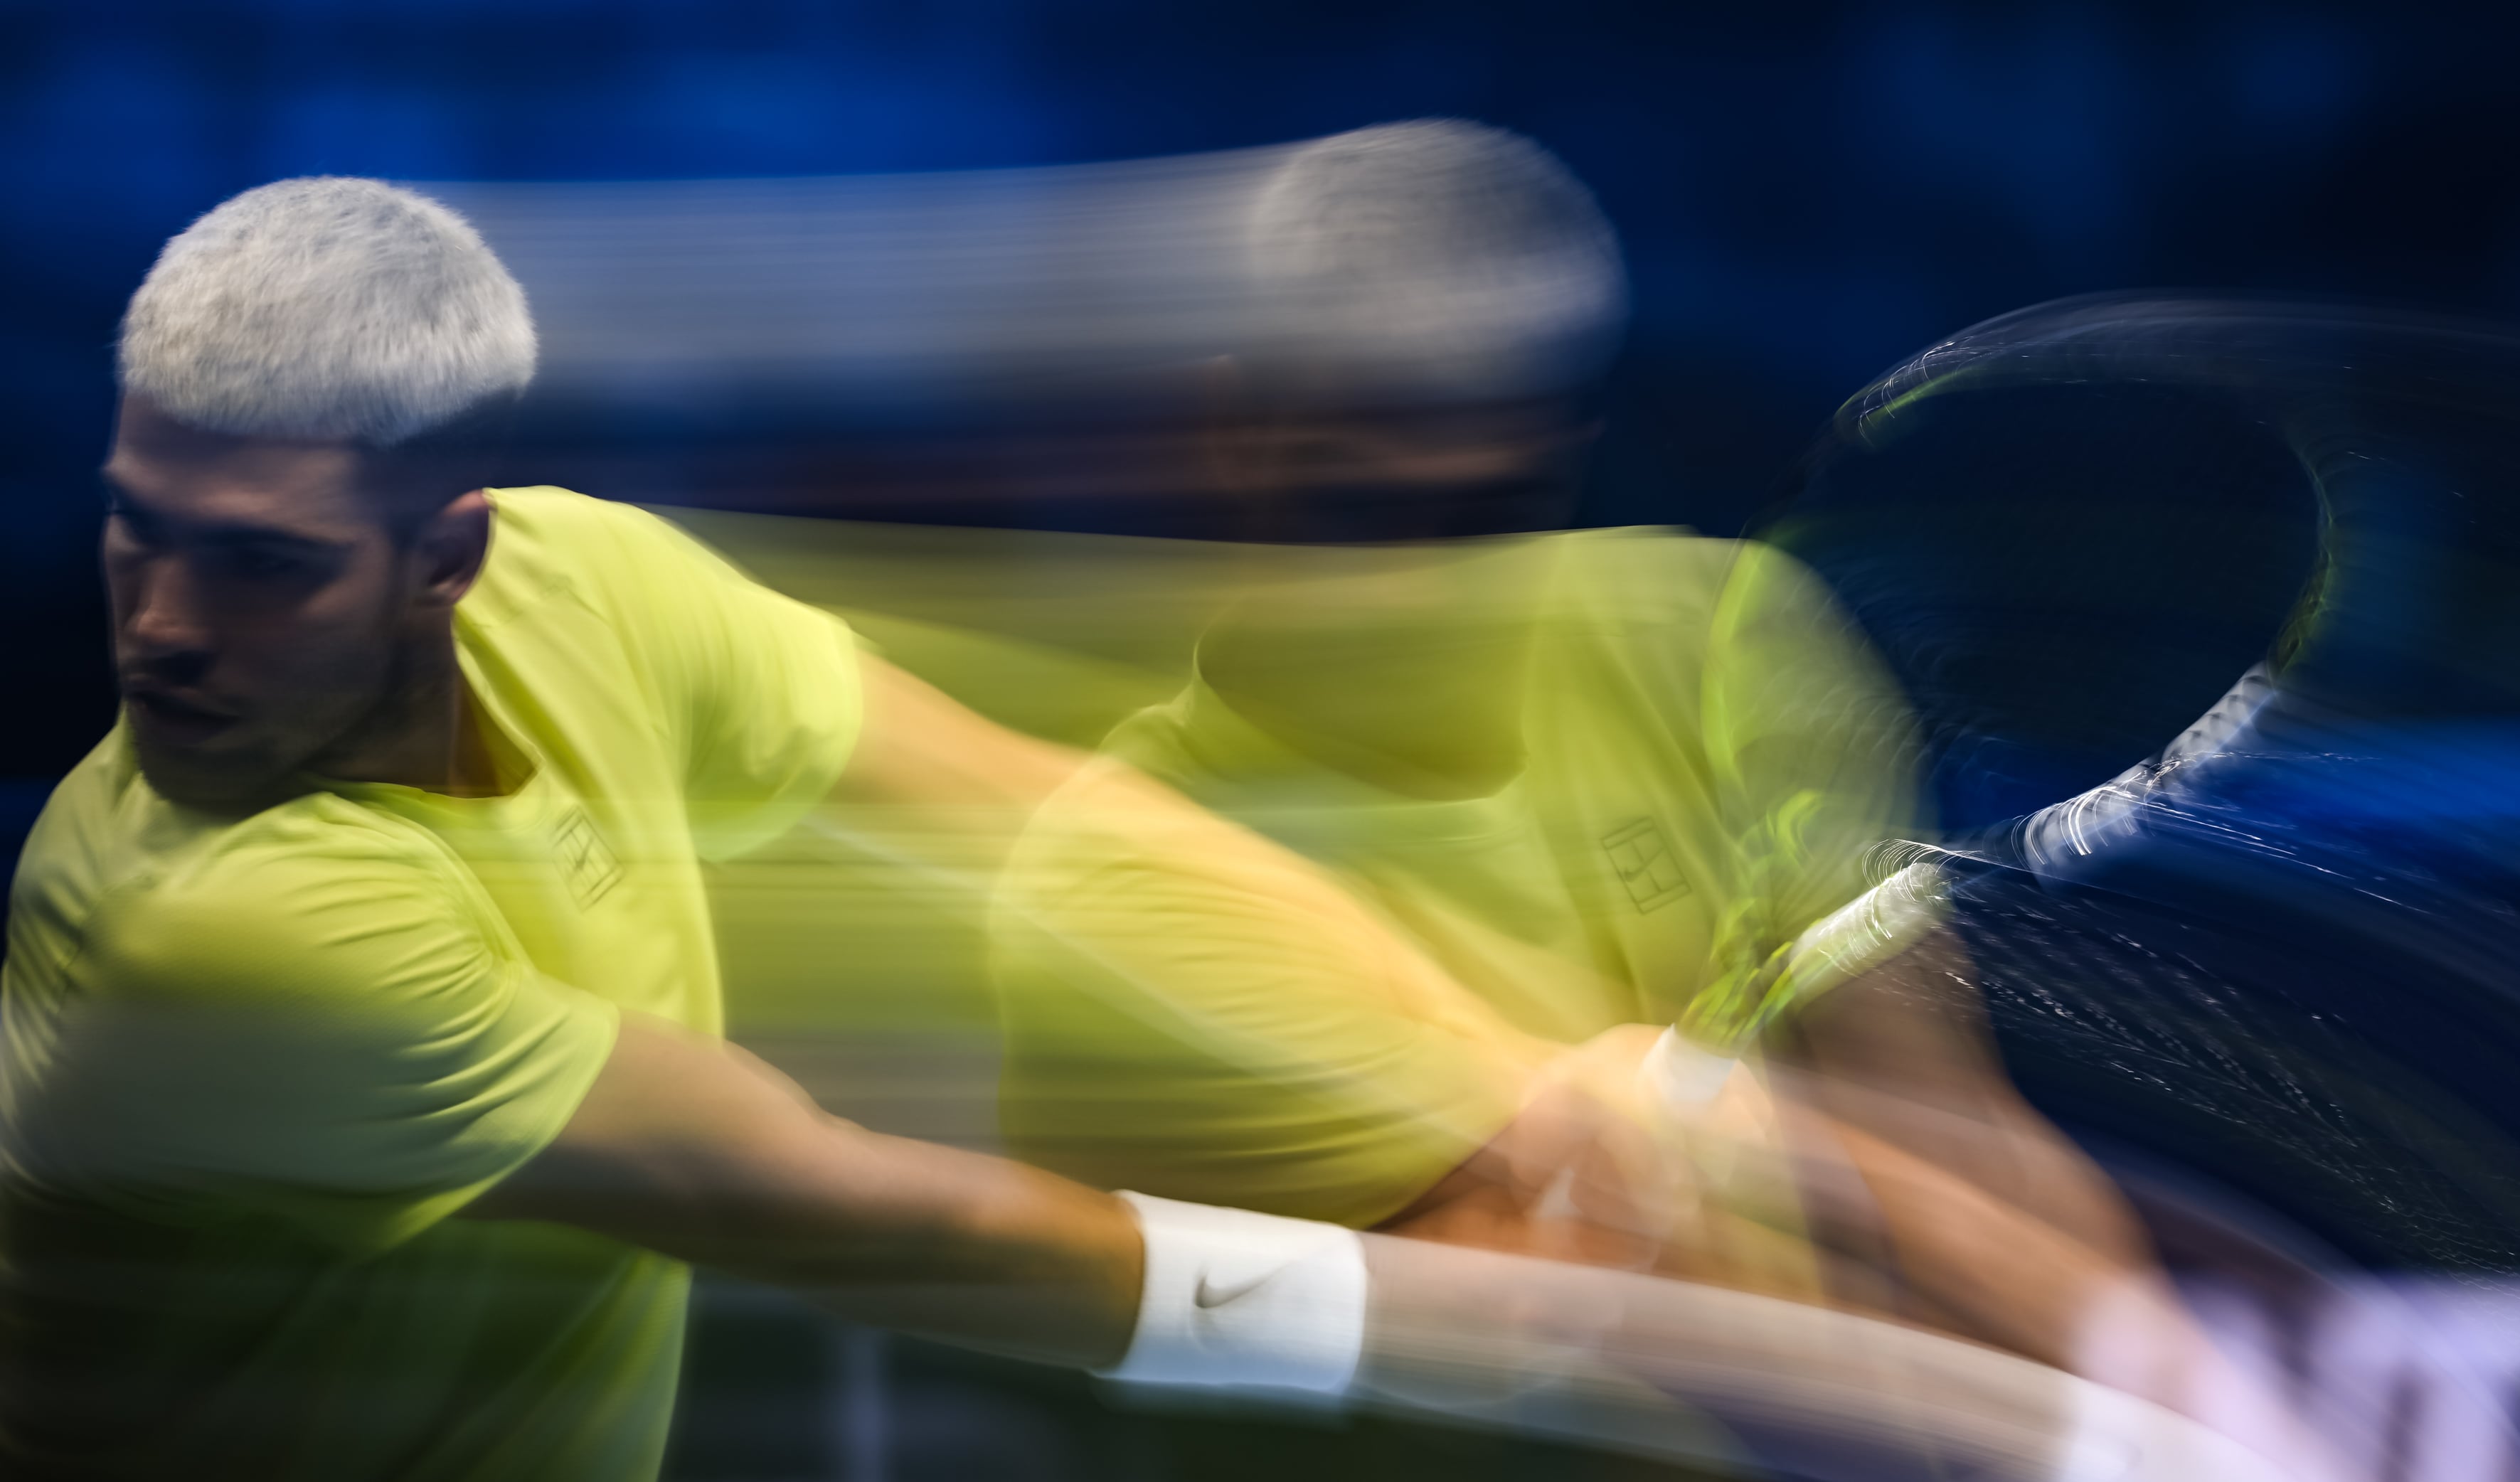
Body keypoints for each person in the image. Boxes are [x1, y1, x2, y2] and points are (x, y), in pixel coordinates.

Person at [0, 176, 1393, 1481]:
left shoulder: (582, 584)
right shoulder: (211, 932)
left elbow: (1037, 817)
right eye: (141, 529)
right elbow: (860, 1216)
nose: (164, 624)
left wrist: (1485, 1088)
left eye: (260, 562)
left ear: (446, 560)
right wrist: (1466, 1325)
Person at [987, 122, 2180, 1366]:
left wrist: (2155, 1368)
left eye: (1487, 517)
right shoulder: (1104, 894)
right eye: (1363, 505)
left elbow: (1948, 1124)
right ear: (1229, 432)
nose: (1421, 591)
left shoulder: (1719, 634)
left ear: (1567, 446)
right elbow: (1557, 1320)